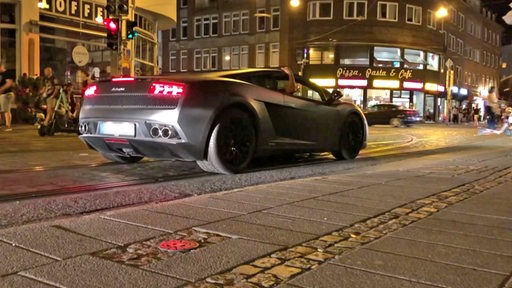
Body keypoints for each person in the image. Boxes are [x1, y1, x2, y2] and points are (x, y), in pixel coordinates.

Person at [0, 62, 15, 131]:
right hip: (2, 94)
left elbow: (9, 83)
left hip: (6, 94)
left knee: (6, 110)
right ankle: (3, 124)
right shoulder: (2, 75)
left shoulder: (6, 73)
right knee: (3, 110)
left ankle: (8, 126)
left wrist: (1, 89)